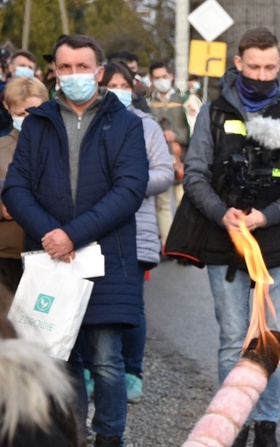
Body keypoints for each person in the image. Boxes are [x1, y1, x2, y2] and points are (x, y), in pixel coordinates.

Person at [1, 34, 149, 447]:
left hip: (105, 258)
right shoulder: (38, 122)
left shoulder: (125, 124)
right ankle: (72, 436)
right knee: (60, 359)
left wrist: (72, 235)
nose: (73, 75)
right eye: (65, 68)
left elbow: (129, 189)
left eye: (82, 67)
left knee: (105, 362)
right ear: (55, 73)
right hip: (49, 260)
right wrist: (52, 235)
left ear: (99, 72)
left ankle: (108, 438)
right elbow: (15, 189)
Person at [182, 27, 280, 447]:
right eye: (254, 66)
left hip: (277, 245)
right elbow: (194, 175)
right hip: (225, 243)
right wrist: (222, 213)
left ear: (279, 64)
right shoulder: (213, 113)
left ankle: (266, 426)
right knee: (232, 338)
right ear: (238, 63)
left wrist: (267, 215)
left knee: (270, 339)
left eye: (270, 67)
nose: (262, 74)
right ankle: (233, 423)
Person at [99, 62, 173, 403]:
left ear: (132, 87)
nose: (117, 89)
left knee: (132, 307)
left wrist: (127, 186)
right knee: (92, 303)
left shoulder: (146, 126)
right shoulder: (91, 122)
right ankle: (91, 368)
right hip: (92, 227)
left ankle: (132, 372)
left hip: (136, 227)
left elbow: (165, 173)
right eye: (110, 83)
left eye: (122, 84)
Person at [0, 77, 49, 294]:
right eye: (20, 113)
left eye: (34, 111)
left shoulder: (61, 146)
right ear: (7, 109)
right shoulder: (1, 148)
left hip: (50, 251)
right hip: (7, 254)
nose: (28, 119)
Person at [147, 61, 190, 251]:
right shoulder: (148, 102)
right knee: (162, 204)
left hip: (182, 158)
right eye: (157, 78)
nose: (161, 81)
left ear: (171, 76)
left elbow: (193, 129)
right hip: (158, 159)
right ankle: (167, 244)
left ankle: (184, 245)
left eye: (164, 77)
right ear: (151, 79)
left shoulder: (184, 99)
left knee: (183, 202)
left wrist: (177, 136)